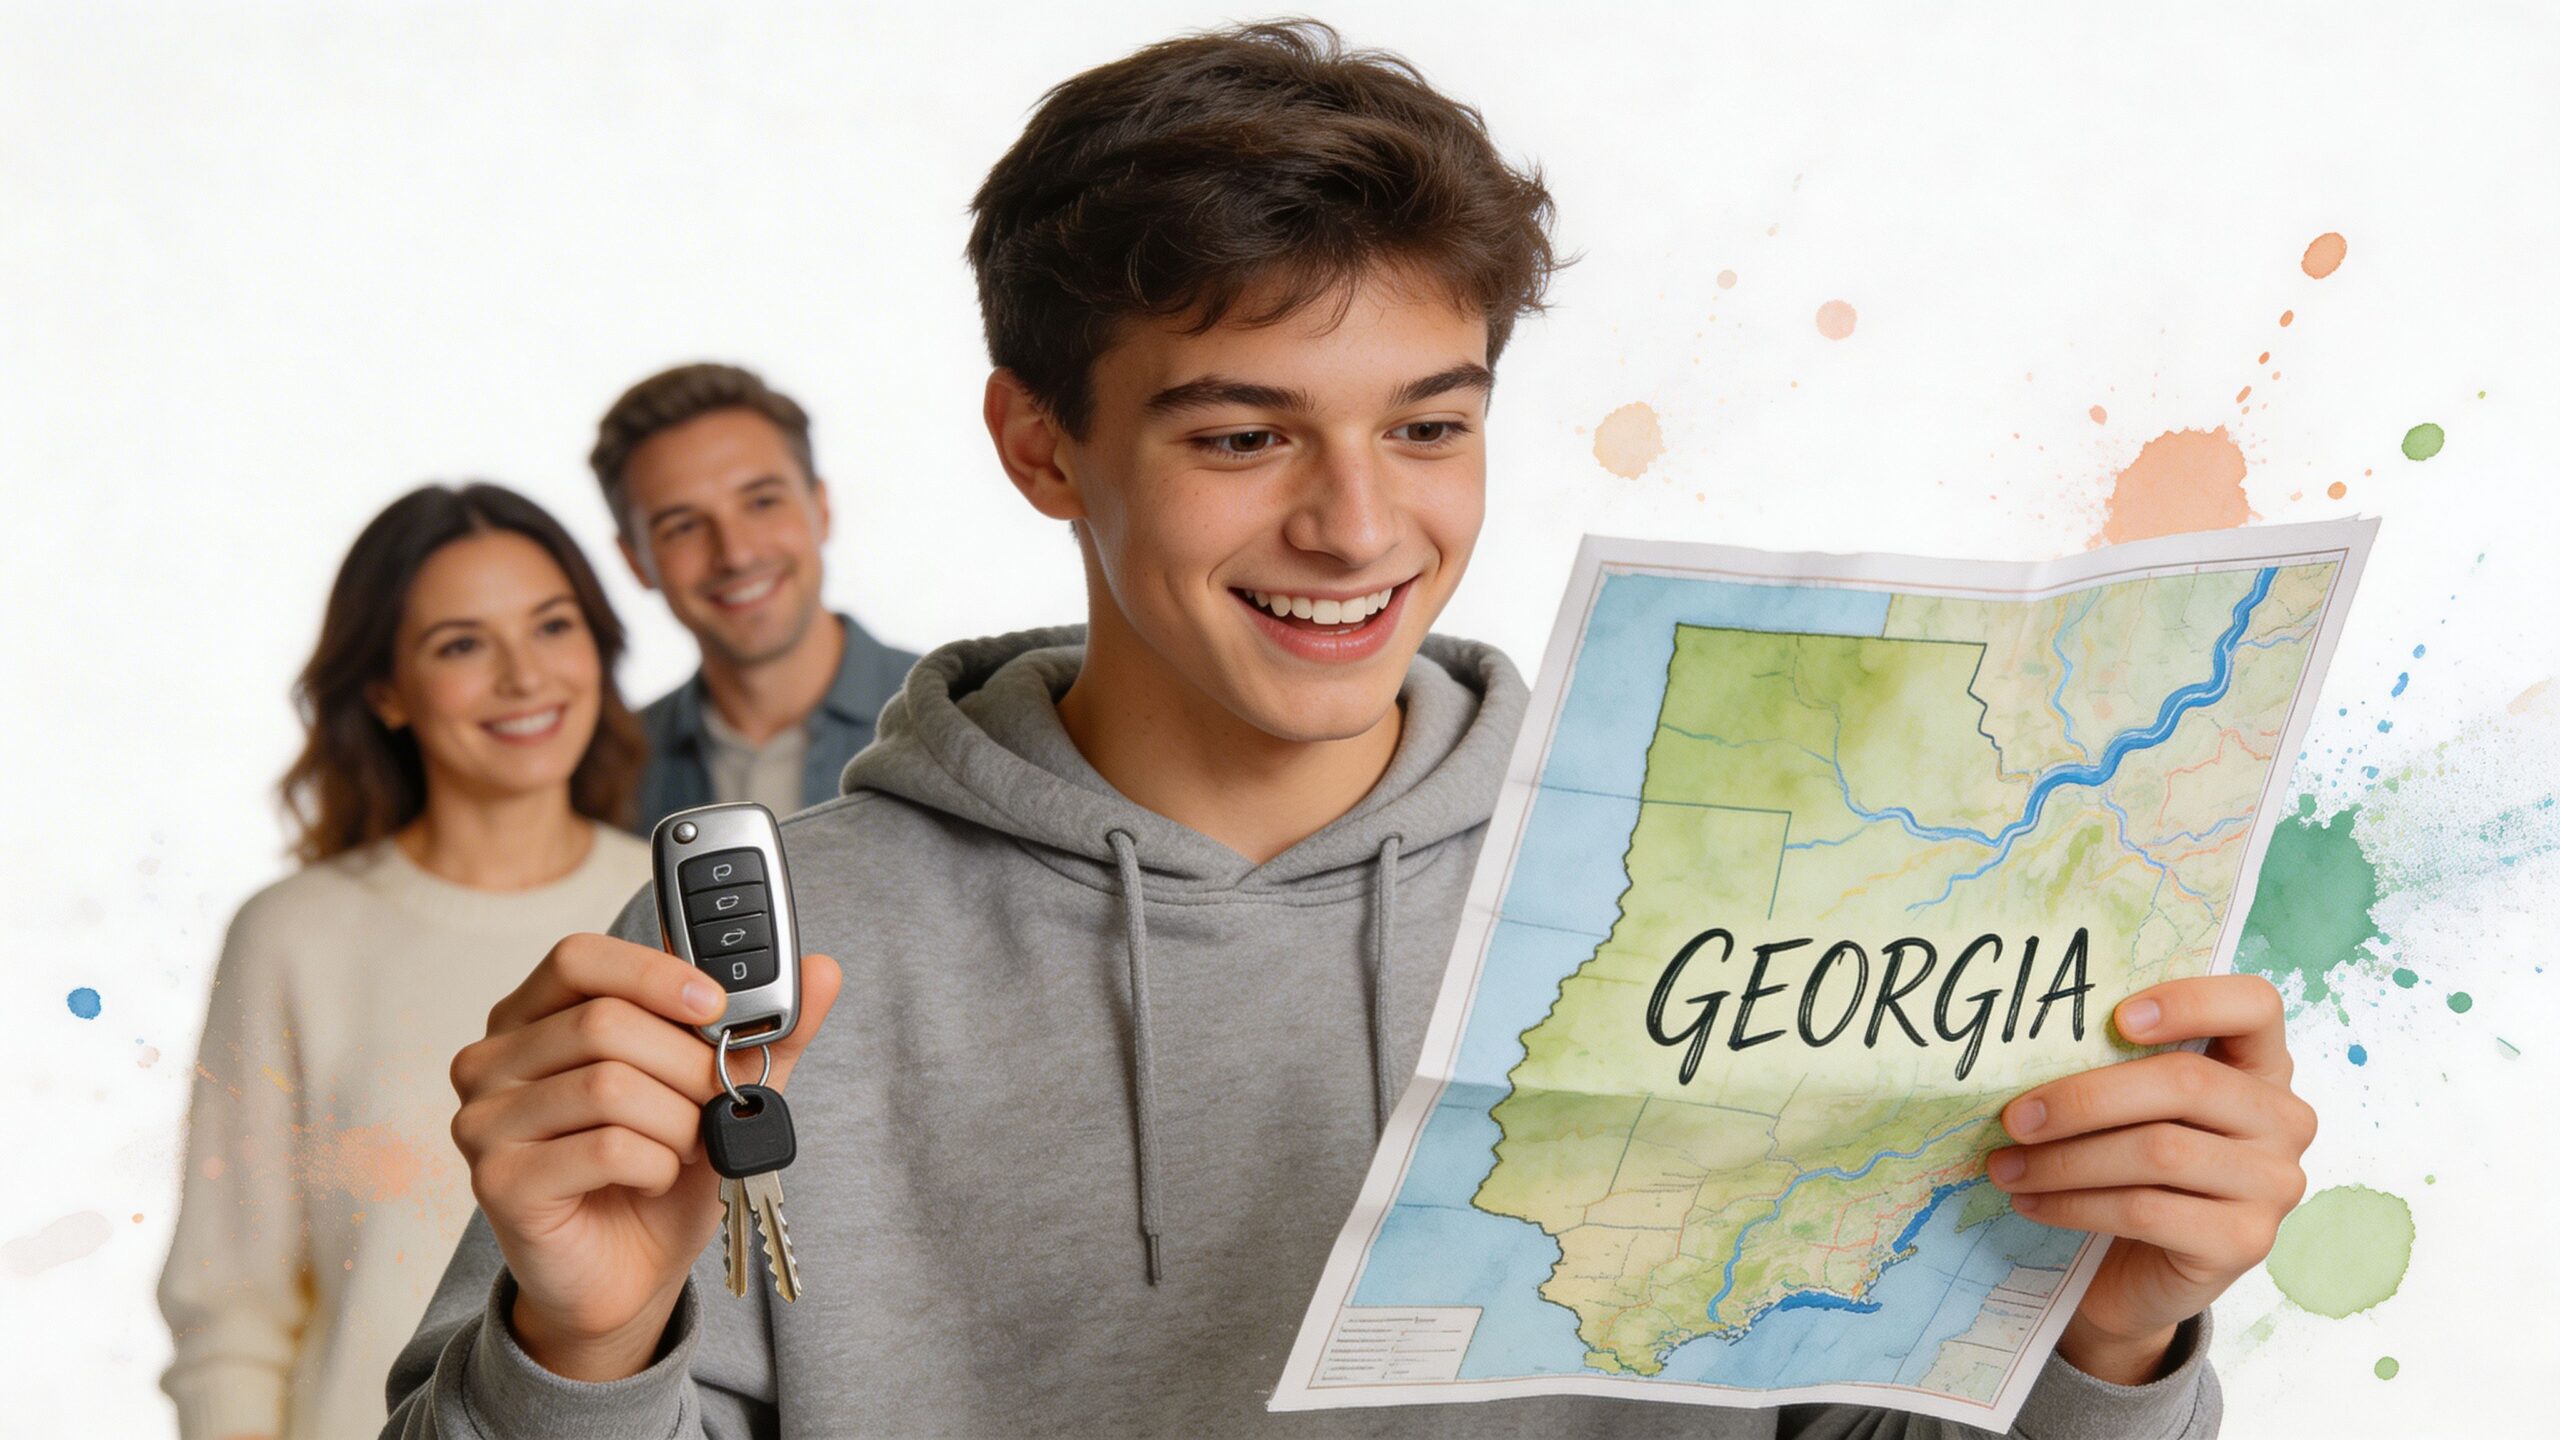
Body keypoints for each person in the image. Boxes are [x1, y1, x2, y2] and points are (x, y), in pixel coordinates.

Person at [387, 23, 2313, 1437]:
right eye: (1243, 434)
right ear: (1039, 442)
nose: (1360, 529)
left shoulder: (1746, 883)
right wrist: (586, 1353)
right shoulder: (753, 965)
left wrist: (2107, 1349)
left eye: (1428, 422)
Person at [159, 484, 655, 1440]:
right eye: (461, 644)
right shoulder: (292, 937)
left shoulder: (675, 912)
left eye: (552, 626)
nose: (523, 676)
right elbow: (232, 1308)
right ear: (384, 689)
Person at [591, 362, 921, 829]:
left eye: (762, 502)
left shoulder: (958, 720)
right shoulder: (612, 773)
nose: (736, 554)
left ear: (821, 509)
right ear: (634, 561)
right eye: (682, 526)